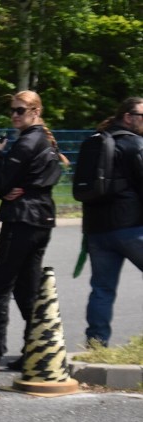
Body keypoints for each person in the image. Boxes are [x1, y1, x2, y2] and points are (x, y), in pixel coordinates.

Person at [0, 90, 68, 373]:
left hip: (22, 220)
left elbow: (0, 187)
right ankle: (34, 351)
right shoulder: (46, 141)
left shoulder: (27, 143)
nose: (14, 115)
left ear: (36, 112)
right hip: (42, 219)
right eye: (13, 110)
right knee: (27, 288)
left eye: (20, 110)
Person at [80, 97, 143, 346]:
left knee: (102, 289)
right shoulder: (134, 144)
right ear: (128, 117)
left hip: (97, 231)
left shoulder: (95, 142)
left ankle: (96, 344)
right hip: (131, 228)